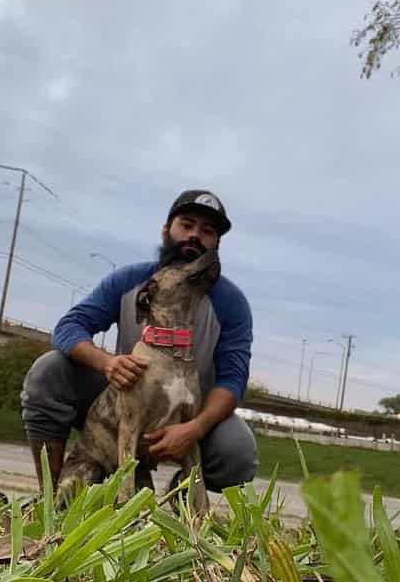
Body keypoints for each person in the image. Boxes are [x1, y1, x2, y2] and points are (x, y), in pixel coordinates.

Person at [21, 189, 258, 492]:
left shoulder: (231, 303)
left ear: (216, 244)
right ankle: (53, 498)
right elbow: (69, 327)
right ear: (166, 230)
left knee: (237, 451)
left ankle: (181, 505)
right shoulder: (132, 280)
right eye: (186, 225)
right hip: (127, 399)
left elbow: (233, 380)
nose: (194, 236)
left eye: (207, 231)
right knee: (49, 371)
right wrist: (107, 363)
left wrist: (195, 429)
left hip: (191, 410)